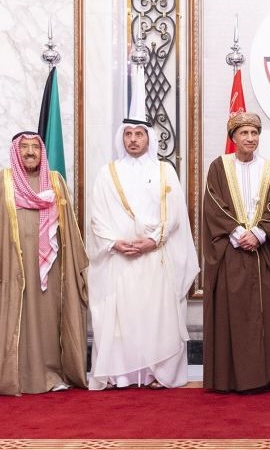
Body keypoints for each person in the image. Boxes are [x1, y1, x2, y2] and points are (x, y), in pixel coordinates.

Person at [0, 131, 89, 397]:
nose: (30, 152)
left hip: (51, 271)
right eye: (24, 148)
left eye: (35, 147)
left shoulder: (55, 183)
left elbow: (69, 228)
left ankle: (51, 373)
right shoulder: (3, 182)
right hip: (11, 269)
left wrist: (75, 271)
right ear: (15, 152)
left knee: (48, 321)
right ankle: (14, 377)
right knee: (15, 321)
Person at [87, 119, 199, 389]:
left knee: (156, 315)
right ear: (121, 138)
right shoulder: (107, 173)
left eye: (139, 134)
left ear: (149, 139)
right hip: (118, 259)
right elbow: (97, 217)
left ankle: (156, 373)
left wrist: (153, 240)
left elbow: (175, 215)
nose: (134, 139)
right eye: (128, 134)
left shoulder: (164, 171)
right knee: (121, 317)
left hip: (155, 257)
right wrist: (114, 243)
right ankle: (120, 375)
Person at [201, 112, 270, 393]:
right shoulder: (219, 166)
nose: (250, 138)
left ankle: (262, 377)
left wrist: (259, 234)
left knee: (261, 316)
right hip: (231, 251)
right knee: (232, 316)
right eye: (244, 133)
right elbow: (214, 206)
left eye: (254, 133)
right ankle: (230, 379)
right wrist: (239, 234)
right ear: (233, 138)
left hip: (262, 253)